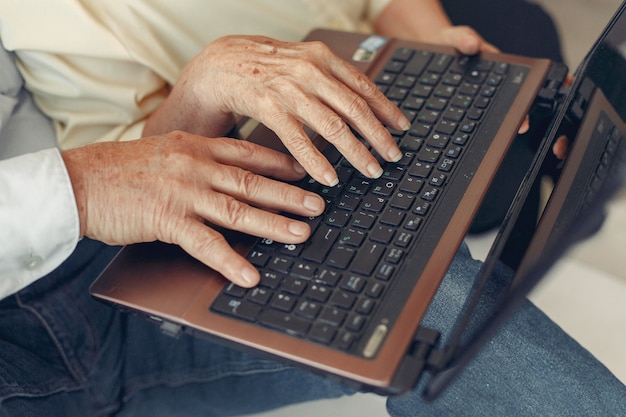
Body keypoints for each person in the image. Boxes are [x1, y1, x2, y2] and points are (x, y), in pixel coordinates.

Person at [1, 1, 624, 416]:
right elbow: (142, 179)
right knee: (402, 284)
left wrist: (433, 41)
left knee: (523, 62)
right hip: (78, 259)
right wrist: (91, 179)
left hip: (330, 95)